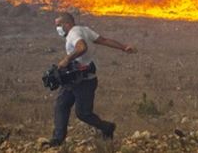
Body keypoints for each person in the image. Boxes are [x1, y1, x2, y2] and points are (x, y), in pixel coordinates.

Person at [43, 12, 137, 147]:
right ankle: (57, 140)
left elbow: (82, 47)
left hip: (84, 81)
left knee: (83, 113)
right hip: (73, 79)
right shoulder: (84, 30)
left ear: (67, 24)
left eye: (58, 25)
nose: (57, 28)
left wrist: (67, 59)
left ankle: (107, 128)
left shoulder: (74, 33)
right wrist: (123, 47)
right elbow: (103, 40)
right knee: (61, 105)